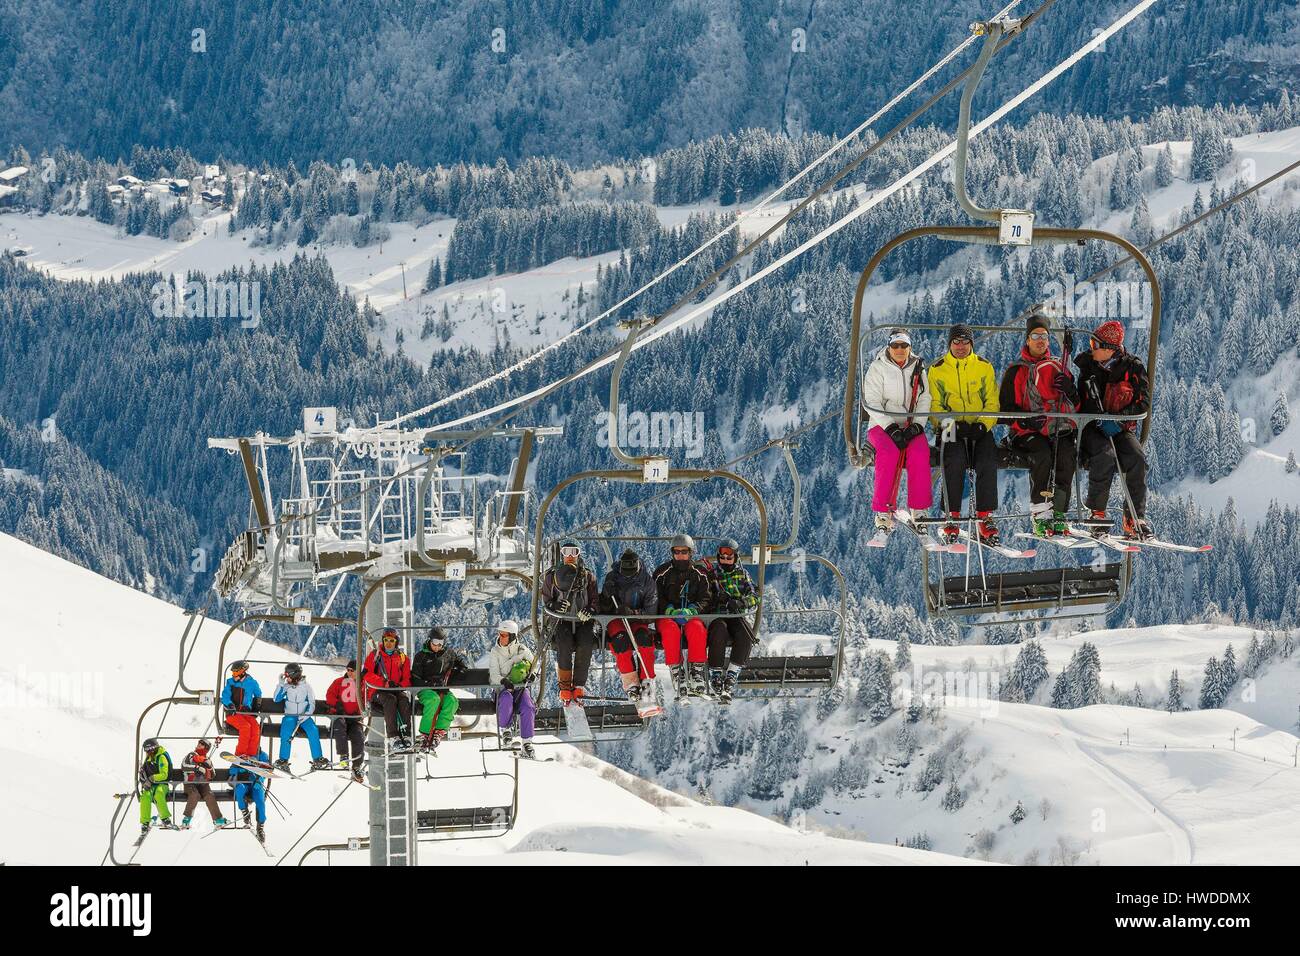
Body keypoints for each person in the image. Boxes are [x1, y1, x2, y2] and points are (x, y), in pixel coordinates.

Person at [999, 313, 1079, 537]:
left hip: (1054, 427)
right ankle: (1041, 514)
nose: (1040, 340)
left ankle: (1060, 513)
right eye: (1035, 335)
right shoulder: (1016, 371)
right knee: (1042, 454)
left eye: (1044, 335)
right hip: (1025, 432)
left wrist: (1070, 389)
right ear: (1027, 339)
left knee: (1065, 454)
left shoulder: (1057, 367)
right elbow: (1004, 411)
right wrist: (1026, 419)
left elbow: (1075, 404)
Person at [1074, 320, 1153, 539]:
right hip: (1092, 427)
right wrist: (1097, 417)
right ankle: (1097, 513)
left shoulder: (1133, 368)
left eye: (1095, 344)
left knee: (1137, 458)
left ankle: (1135, 517)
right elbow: (1080, 400)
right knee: (1104, 455)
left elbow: (1143, 402)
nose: (1092, 348)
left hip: (1119, 427)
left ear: (1110, 349)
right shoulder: (1088, 367)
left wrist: (1118, 420)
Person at [929, 323, 1001, 545]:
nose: (960, 346)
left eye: (965, 342)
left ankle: (985, 516)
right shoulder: (937, 369)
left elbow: (992, 402)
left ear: (971, 344)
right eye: (956, 342)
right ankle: (952, 515)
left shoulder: (983, 367)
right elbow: (934, 406)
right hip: (951, 429)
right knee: (954, 458)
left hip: (978, 428)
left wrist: (982, 424)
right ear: (950, 344)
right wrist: (952, 425)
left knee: (988, 458)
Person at [861, 327, 933, 535]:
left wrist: (918, 425)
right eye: (895, 346)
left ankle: (919, 509)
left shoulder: (918, 368)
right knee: (889, 453)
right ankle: (883, 511)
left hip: (910, 426)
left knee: (920, 452)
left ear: (910, 347)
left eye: (904, 346)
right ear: (889, 347)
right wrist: (891, 427)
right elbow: (871, 401)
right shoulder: (878, 368)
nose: (900, 350)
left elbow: (924, 398)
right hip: (881, 425)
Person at [541, 541, 599, 705]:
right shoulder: (552, 577)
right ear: (562, 554)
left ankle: (579, 686)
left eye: (574, 551)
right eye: (567, 552)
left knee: (586, 643)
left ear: (579, 554)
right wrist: (555, 606)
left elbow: (595, 600)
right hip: (562, 620)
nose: (570, 555)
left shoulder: (587, 576)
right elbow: (546, 600)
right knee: (563, 643)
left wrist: (591, 610)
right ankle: (565, 687)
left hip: (582, 620)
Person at [654, 533, 712, 697]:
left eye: (684, 552)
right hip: (667, 617)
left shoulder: (699, 573)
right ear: (672, 553)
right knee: (671, 630)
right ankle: (676, 670)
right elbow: (654, 596)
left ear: (690, 552)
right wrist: (668, 609)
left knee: (697, 628)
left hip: (690, 616)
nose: (680, 555)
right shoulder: (662, 573)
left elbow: (706, 597)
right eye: (676, 552)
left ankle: (696, 670)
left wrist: (694, 610)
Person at [599, 548, 658, 704]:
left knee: (644, 641)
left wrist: (633, 612)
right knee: (621, 642)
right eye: (625, 572)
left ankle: (647, 683)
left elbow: (651, 613)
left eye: (631, 572)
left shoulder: (647, 582)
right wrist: (605, 596)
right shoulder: (613, 577)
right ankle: (631, 683)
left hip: (638, 620)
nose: (628, 574)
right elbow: (603, 607)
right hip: (616, 619)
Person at [703, 538, 758, 703]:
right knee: (718, 632)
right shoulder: (712, 575)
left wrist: (741, 602)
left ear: (736, 557)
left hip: (735, 615)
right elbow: (703, 596)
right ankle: (716, 673)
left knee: (745, 635)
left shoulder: (742, 574)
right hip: (717, 615)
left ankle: (732, 673)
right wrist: (715, 599)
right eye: (722, 557)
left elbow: (755, 596)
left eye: (729, 557)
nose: (725, 560)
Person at [410, 627, 468, 751]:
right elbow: (415, 678)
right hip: (425, 689)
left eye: (440, 643)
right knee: (433, 700)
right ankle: (425, 734)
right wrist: (430, 684)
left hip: (441, 689)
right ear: (429, 641)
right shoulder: (421, 656)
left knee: (452, 702)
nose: (437, 646)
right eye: (435, 643)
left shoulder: (448, 654)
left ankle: (438, 732)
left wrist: (461, 666)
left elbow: (456, 660)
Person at [488, 620, 537, 759]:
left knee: (528, 706)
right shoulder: (495, 652)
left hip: (520, 688)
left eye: (504, 635)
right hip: (502, 689)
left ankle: (527, 743)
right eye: (500, 634)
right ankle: (505, 731)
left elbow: (533, 664)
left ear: (513, 636)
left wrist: (532, 675)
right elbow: (494, 674)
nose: (500, 637)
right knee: (506, 699)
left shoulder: (522, 649)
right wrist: (503, 681)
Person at [362, 627, 413, 750]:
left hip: (395, 690)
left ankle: (406, 735)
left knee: (403, 700)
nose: (388, 643)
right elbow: (367, 675)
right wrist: (383, 683)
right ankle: (393, 736)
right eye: (386, 640)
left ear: (396, 642)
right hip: (377, 691)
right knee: (390, 700)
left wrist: (400, 686)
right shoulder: (375, 656)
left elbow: (407, 678)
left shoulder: (403, 659)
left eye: (391, 641)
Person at [273, 662, 328, 772]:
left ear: (294, 675)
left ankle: (317, 758)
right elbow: (276, 699)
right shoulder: (287, 686)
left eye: (287, 675)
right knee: (286, 732)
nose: (286, 677)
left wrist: (306, 715)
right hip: (290, 716)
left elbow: (312, 703)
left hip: (304, 717)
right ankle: (283, 760)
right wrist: (280, 684)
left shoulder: (307, 687)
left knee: (313, 731)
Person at [325, 660, 365, 781]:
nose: (349, 672)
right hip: (340, 716)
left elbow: (366, 699)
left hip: (354, 719)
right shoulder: (339, 682)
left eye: (352, 670)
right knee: (340, 725)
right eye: (348, 670)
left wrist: (360, 711)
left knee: (358, 735)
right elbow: (329, 695)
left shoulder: (362, 684)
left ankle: (357, 766)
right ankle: (344, 756)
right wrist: (337, 705)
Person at [180, 738, 229, 829]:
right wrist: (197, 768)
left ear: (206, 748)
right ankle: (187, 819)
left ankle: (218, 820)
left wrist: (209, 766)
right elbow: (184, 766)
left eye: (202, 744)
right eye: (199, 743)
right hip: (190, 783)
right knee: (195, 795)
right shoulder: (192, 755)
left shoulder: (206, 759)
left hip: (203, 784)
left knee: (209, 795)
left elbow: (213, 774)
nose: (199, 744)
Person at [221, 660, 262, 757]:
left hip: (246, 713)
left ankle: (251, 755)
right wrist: (230, 704)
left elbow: (258, 694)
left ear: (243, 671)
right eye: (233, 672)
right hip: (233, 713)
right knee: (245, 727)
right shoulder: (230, 683)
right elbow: (225, 696)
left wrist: (256, 706)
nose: (233, 674)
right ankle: (240, 754)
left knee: (255, 728)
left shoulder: (252, 682)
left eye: (236, 672)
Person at [229, 747, 271, 843]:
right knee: (240, 789)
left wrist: (259, 780)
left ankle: (260, 826)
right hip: (243, 783)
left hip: (255, 783)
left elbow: (267, 771)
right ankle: (245, 812)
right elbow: (231, 770)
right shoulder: (242, 754)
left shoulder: (263, 756)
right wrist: (240, 771)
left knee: (260, 801)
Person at [138, 738, 178, 835]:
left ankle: (165, 819)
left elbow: (164, 774)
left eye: (149, 750)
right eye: (146, 751)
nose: (148, 752)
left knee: (159, 794)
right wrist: (144, 780)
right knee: (145, 797)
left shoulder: (161, 757)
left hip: (162, 784)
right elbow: (145, 773)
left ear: (154, 748)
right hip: (151, 785)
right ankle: (145, 823)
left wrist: (151, 779)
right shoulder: (149, 757)